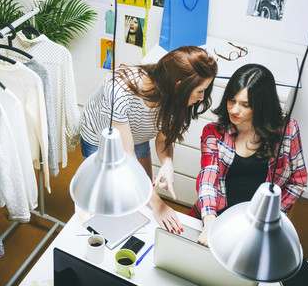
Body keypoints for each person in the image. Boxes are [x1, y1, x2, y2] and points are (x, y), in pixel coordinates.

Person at [81, 46, 218, 232]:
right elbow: (127, 160)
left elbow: (163, 140)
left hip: (137, 134)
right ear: (179, 85)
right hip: (99, 138)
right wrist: (159, 205)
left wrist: (168, 163)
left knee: (141, 197)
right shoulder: (119, 92)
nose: (201, 98)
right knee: (108, 195)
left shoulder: (173, 95)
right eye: (200, 91)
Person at [188, 64, 307, 246]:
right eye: (231, 100)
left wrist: (269, 217)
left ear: (262, 106)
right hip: (215, 214)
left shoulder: (287, 130)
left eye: (245, 105)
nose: (235, 110)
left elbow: (298, 181)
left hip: (258, 224)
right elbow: (207, 179)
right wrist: (210, 221)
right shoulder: (214, 132)